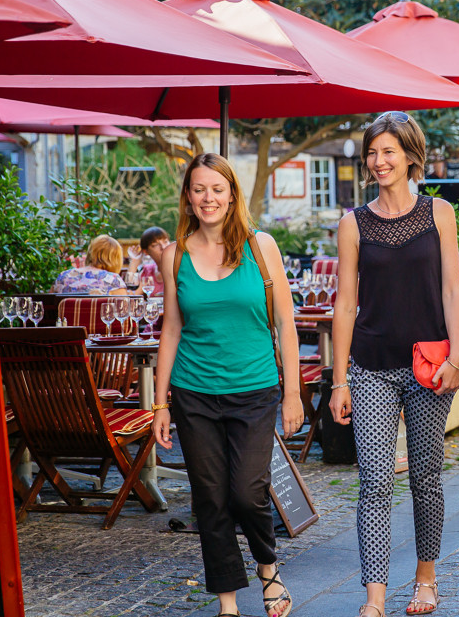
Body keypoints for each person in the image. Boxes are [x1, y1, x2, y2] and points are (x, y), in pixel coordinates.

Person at [152, 153, 303, 617]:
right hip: (194, 393)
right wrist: (160, 404)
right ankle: (228, 602)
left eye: (217, 189)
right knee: (210, 498)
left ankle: (267, 568)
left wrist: (293, 392)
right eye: (199, 189)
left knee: (246, 491)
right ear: (188, 197)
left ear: (232, 193)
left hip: (255, 389)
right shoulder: (174, 254)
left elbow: (285, 323)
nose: (208, 198)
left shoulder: (262, 247)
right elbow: (171, 329)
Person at [329, 111, 459, 617]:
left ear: (410, 156)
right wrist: (339, 378)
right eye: (372, 152)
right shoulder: (353, 223)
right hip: (371, 367)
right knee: (375, 480)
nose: (378, 161)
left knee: (426, 476)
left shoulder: (439, 214)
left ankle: (426, 578)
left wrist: (457, 352)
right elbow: (346, 303)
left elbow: (452, 288)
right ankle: (375, 596)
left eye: (388, 151)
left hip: (431, 367)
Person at [52, 234, 128, 295]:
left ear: (90, 253)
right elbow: (124, 311)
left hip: (68, 314)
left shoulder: (63, 276)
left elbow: (48, 307)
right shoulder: (114, 280)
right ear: (116, 259)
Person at [127, 226, 172, 295]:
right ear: (146, 252)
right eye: (155, 245)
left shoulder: (180, 269)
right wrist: (134, 262)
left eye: (165, 242)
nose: (163, 247)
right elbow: (130, 296)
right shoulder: (148, 272)